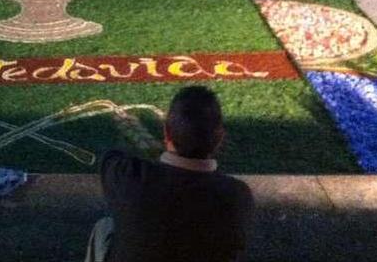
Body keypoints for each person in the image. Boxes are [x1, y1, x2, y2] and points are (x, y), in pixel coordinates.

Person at [87, 86, 254, 262]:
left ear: (166, 133)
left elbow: (111, 157)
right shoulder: (238, 194)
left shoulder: (129, 176)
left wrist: (153, 154)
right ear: (219, 137)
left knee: (104, 226)